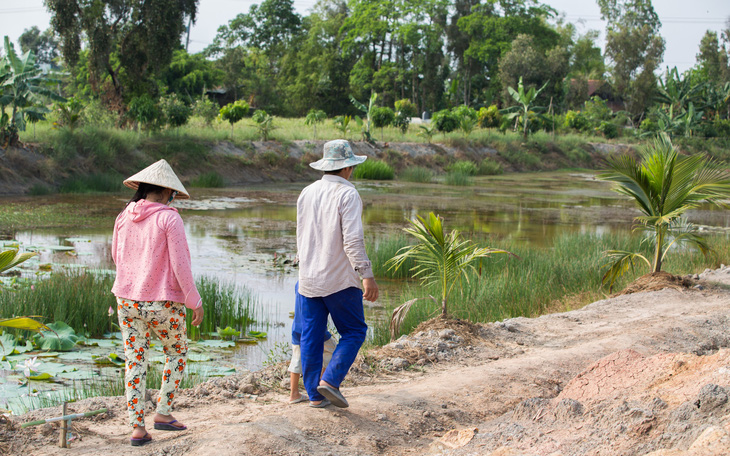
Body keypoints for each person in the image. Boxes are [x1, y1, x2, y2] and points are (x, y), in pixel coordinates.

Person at [111, 159, 205, 446]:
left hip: (126, 299)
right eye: (173, 193)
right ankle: (163, 413)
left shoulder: (124, 215)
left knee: (134, 360)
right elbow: (181, 264)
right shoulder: (169, 217)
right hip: (161, 303)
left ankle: (137, 428)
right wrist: (194, 300)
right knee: (176, 352)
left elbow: (116, 256)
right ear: (168, 191)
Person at [296, 139, 379, 408]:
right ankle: (330, 381)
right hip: (339, 280)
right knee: (354, 331)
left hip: (308, 279)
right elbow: (353, 240)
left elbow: (301, 236)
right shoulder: (348, 193)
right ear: (347, 168)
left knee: (311, 336)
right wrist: (366, 274)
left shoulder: (306, 192)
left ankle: (315, 396)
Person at [288, 282, 337, 404]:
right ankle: (322, 386)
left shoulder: (299, 283)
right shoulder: (316, 284)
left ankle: (294, 393)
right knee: (334, 352)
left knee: (297, 359)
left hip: (297, 328)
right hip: (312, 328)